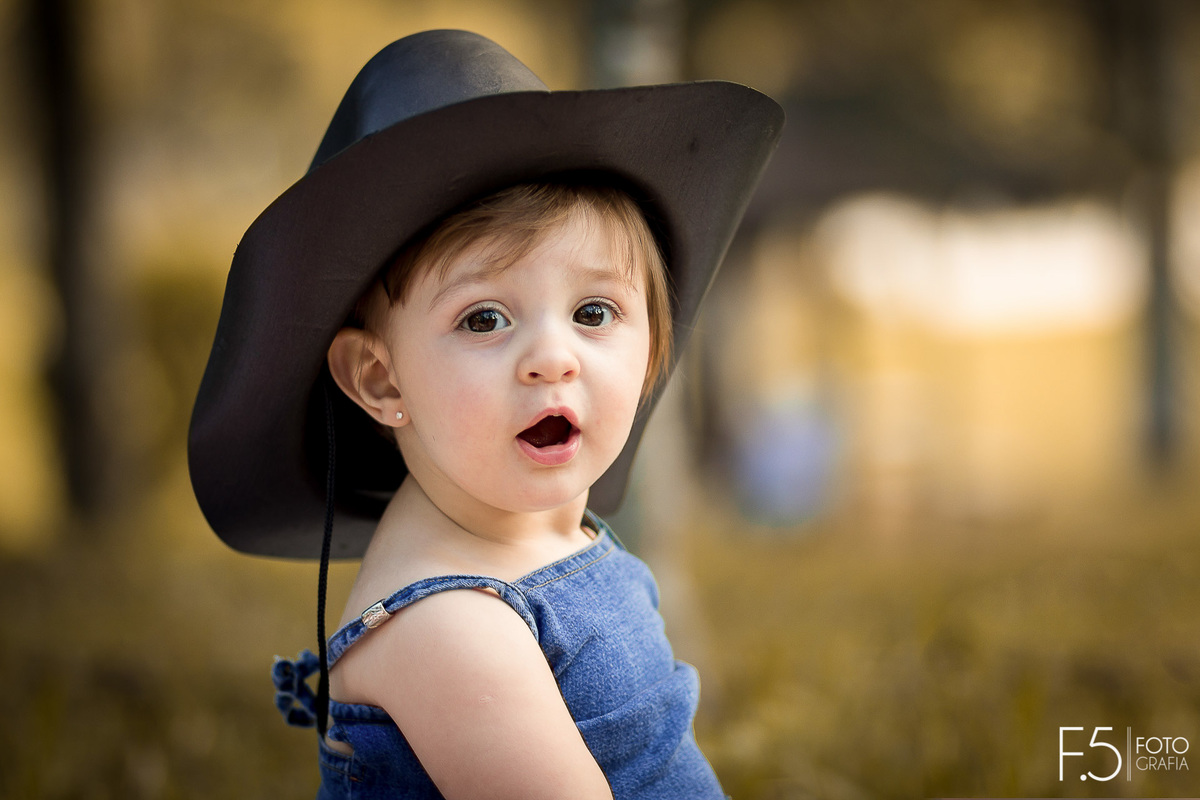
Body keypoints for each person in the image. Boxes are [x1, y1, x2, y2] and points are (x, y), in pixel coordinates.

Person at [189, 29, 782, 799]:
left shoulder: (542, 539)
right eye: (485, 319)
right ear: (380, 379)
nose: (553, 358)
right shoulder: (450, 626)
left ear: (653, 345)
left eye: (594, 312)